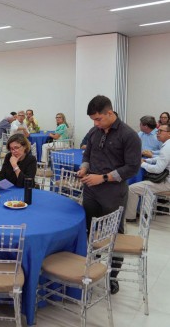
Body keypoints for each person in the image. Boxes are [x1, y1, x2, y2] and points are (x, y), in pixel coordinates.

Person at [77, 95, 141, 294]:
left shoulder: (129, 135)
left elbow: (132, 167)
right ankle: (91, 268)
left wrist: (103, 178)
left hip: (113, 193)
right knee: (89, 229)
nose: (95, 124)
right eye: (93, 120)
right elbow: (87, 153)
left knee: (113, 234)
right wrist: (84, 168)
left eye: (98, 119)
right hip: (91, 191)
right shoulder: (95, 131)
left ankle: (112, 276)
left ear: (110, 113)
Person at [126, 123, 170, 222]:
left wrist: (142, 164)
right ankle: (143, 211)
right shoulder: (168, 145)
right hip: (166, 178)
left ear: (169, 133)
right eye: (158, 131)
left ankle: (130, 217)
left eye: (160, 131)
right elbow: (161, 158)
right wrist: (147, 161)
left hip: (167, 182)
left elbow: (158, 169)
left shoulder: (167, 147)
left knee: (132, 188)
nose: (157, 133)